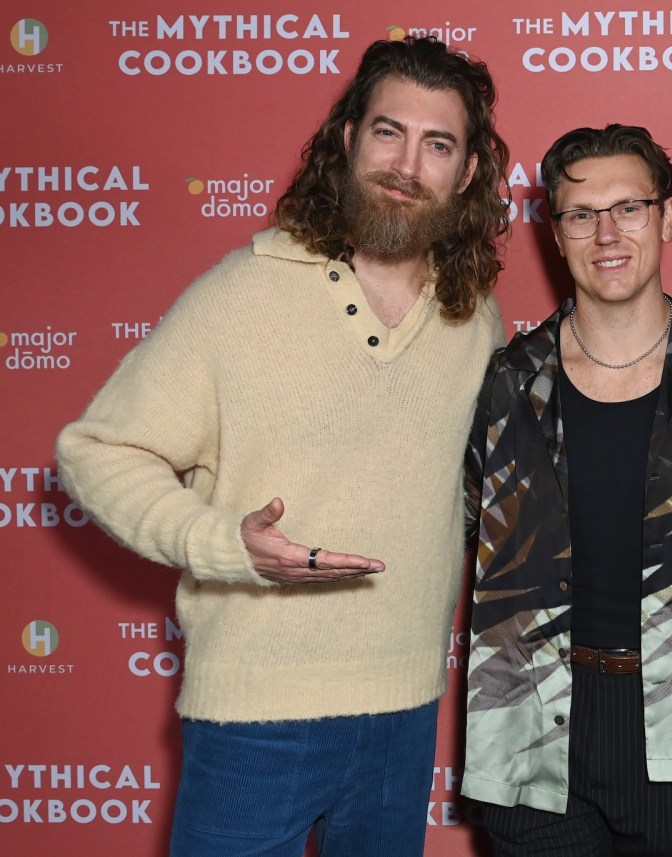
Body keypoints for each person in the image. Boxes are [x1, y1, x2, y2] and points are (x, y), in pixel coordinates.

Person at [55, 36, 509, 857]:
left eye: (437, 144)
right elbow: (97, 448)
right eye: (387, 132)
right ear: (346, 138)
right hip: (254, 716)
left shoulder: (473, 315)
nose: (407, 163)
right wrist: (223, 543)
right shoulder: (242, 293)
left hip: (406, 707)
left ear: (468, 172)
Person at [461, 124, 672, 857]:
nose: (606, 232)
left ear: (666, 217)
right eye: (581, 213)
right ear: (555, 229)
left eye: (629, 208)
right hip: (532, 728)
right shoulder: (508, 382)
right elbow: (468, 531)